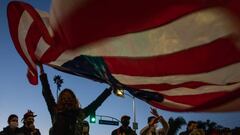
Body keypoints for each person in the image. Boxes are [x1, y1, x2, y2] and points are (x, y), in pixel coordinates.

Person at [38, 64, 112, 135]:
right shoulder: (55, 110)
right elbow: (47, 93)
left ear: (73, 99)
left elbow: (96, 104)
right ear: (60, 99)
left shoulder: (80, 113)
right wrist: (41, 71)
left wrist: (110, 88)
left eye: (69, 97)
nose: (66, 100)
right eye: (63, 98)